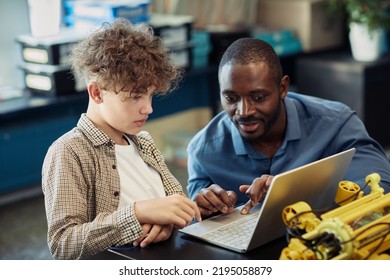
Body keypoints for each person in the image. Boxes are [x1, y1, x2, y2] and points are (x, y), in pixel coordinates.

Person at [41, 19, 201, 260]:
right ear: (96, 93)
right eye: (135, 96)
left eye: (150, 96)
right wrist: (137, 214)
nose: (148, 109)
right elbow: (64, 244)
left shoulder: (143, 141)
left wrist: (169, 220)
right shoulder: (69, 151)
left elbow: (174, 204)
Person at [187, 38, 390, 218]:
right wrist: (206, 206)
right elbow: (196, 209)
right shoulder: (203, 150)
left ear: (282, 88)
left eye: (258, 98)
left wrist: (292, 193)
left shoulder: (337, 124)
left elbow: (380, 187)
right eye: (231, 98)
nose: (244, 111)